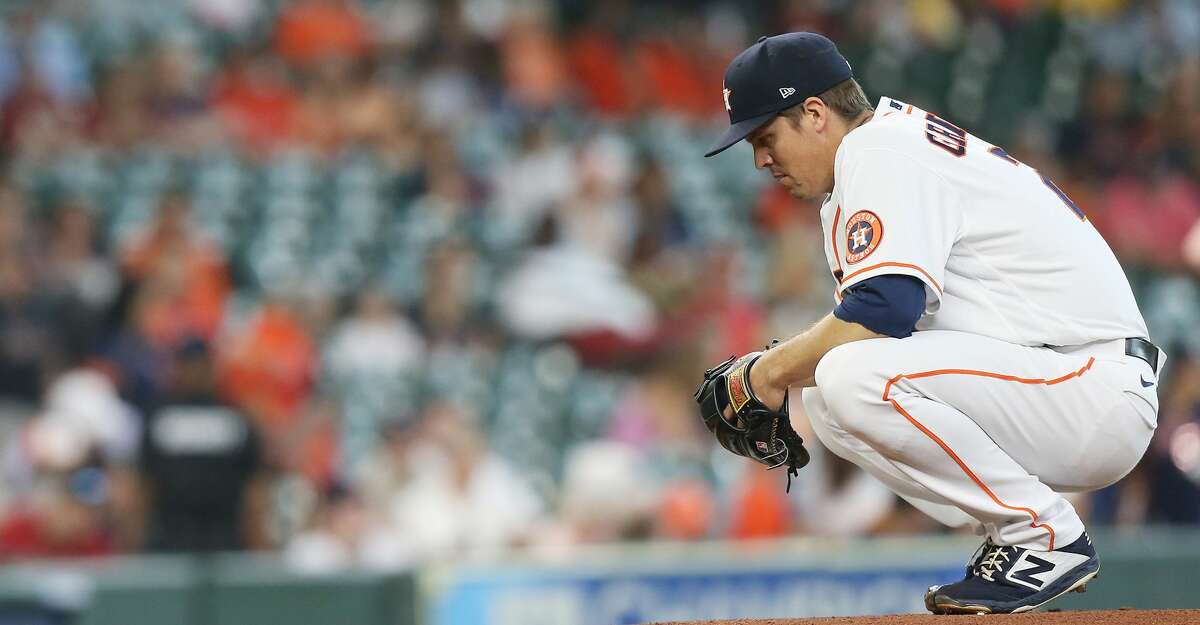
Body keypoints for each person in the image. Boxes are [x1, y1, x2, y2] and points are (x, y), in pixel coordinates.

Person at [698, 32, 1162, 615]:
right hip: (1058, 382)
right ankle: (1012, 539)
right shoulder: (879, 154)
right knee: (825, 397)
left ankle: (1043, 538)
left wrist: (761, 374)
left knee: (846, 375)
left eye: (766, 137)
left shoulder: (878, 150)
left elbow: (884, 310)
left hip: (1087, 384)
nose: (761, 159)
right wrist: (784, 373)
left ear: (814, 114)